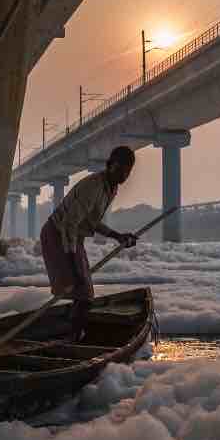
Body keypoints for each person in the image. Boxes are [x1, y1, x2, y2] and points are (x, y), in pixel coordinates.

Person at [40, 146, 140, 341]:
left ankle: (74, 334)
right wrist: (72, 264)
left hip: (73, 236)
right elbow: (69, 223)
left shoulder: (111, 188)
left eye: (128, 171)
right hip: (57, 234)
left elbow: (89, 221)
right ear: (110, 165)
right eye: (120, 169)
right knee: (82, 293)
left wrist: (117, 235)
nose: (124, 174)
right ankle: (73, 339)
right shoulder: (93, 186)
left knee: (84, 293)